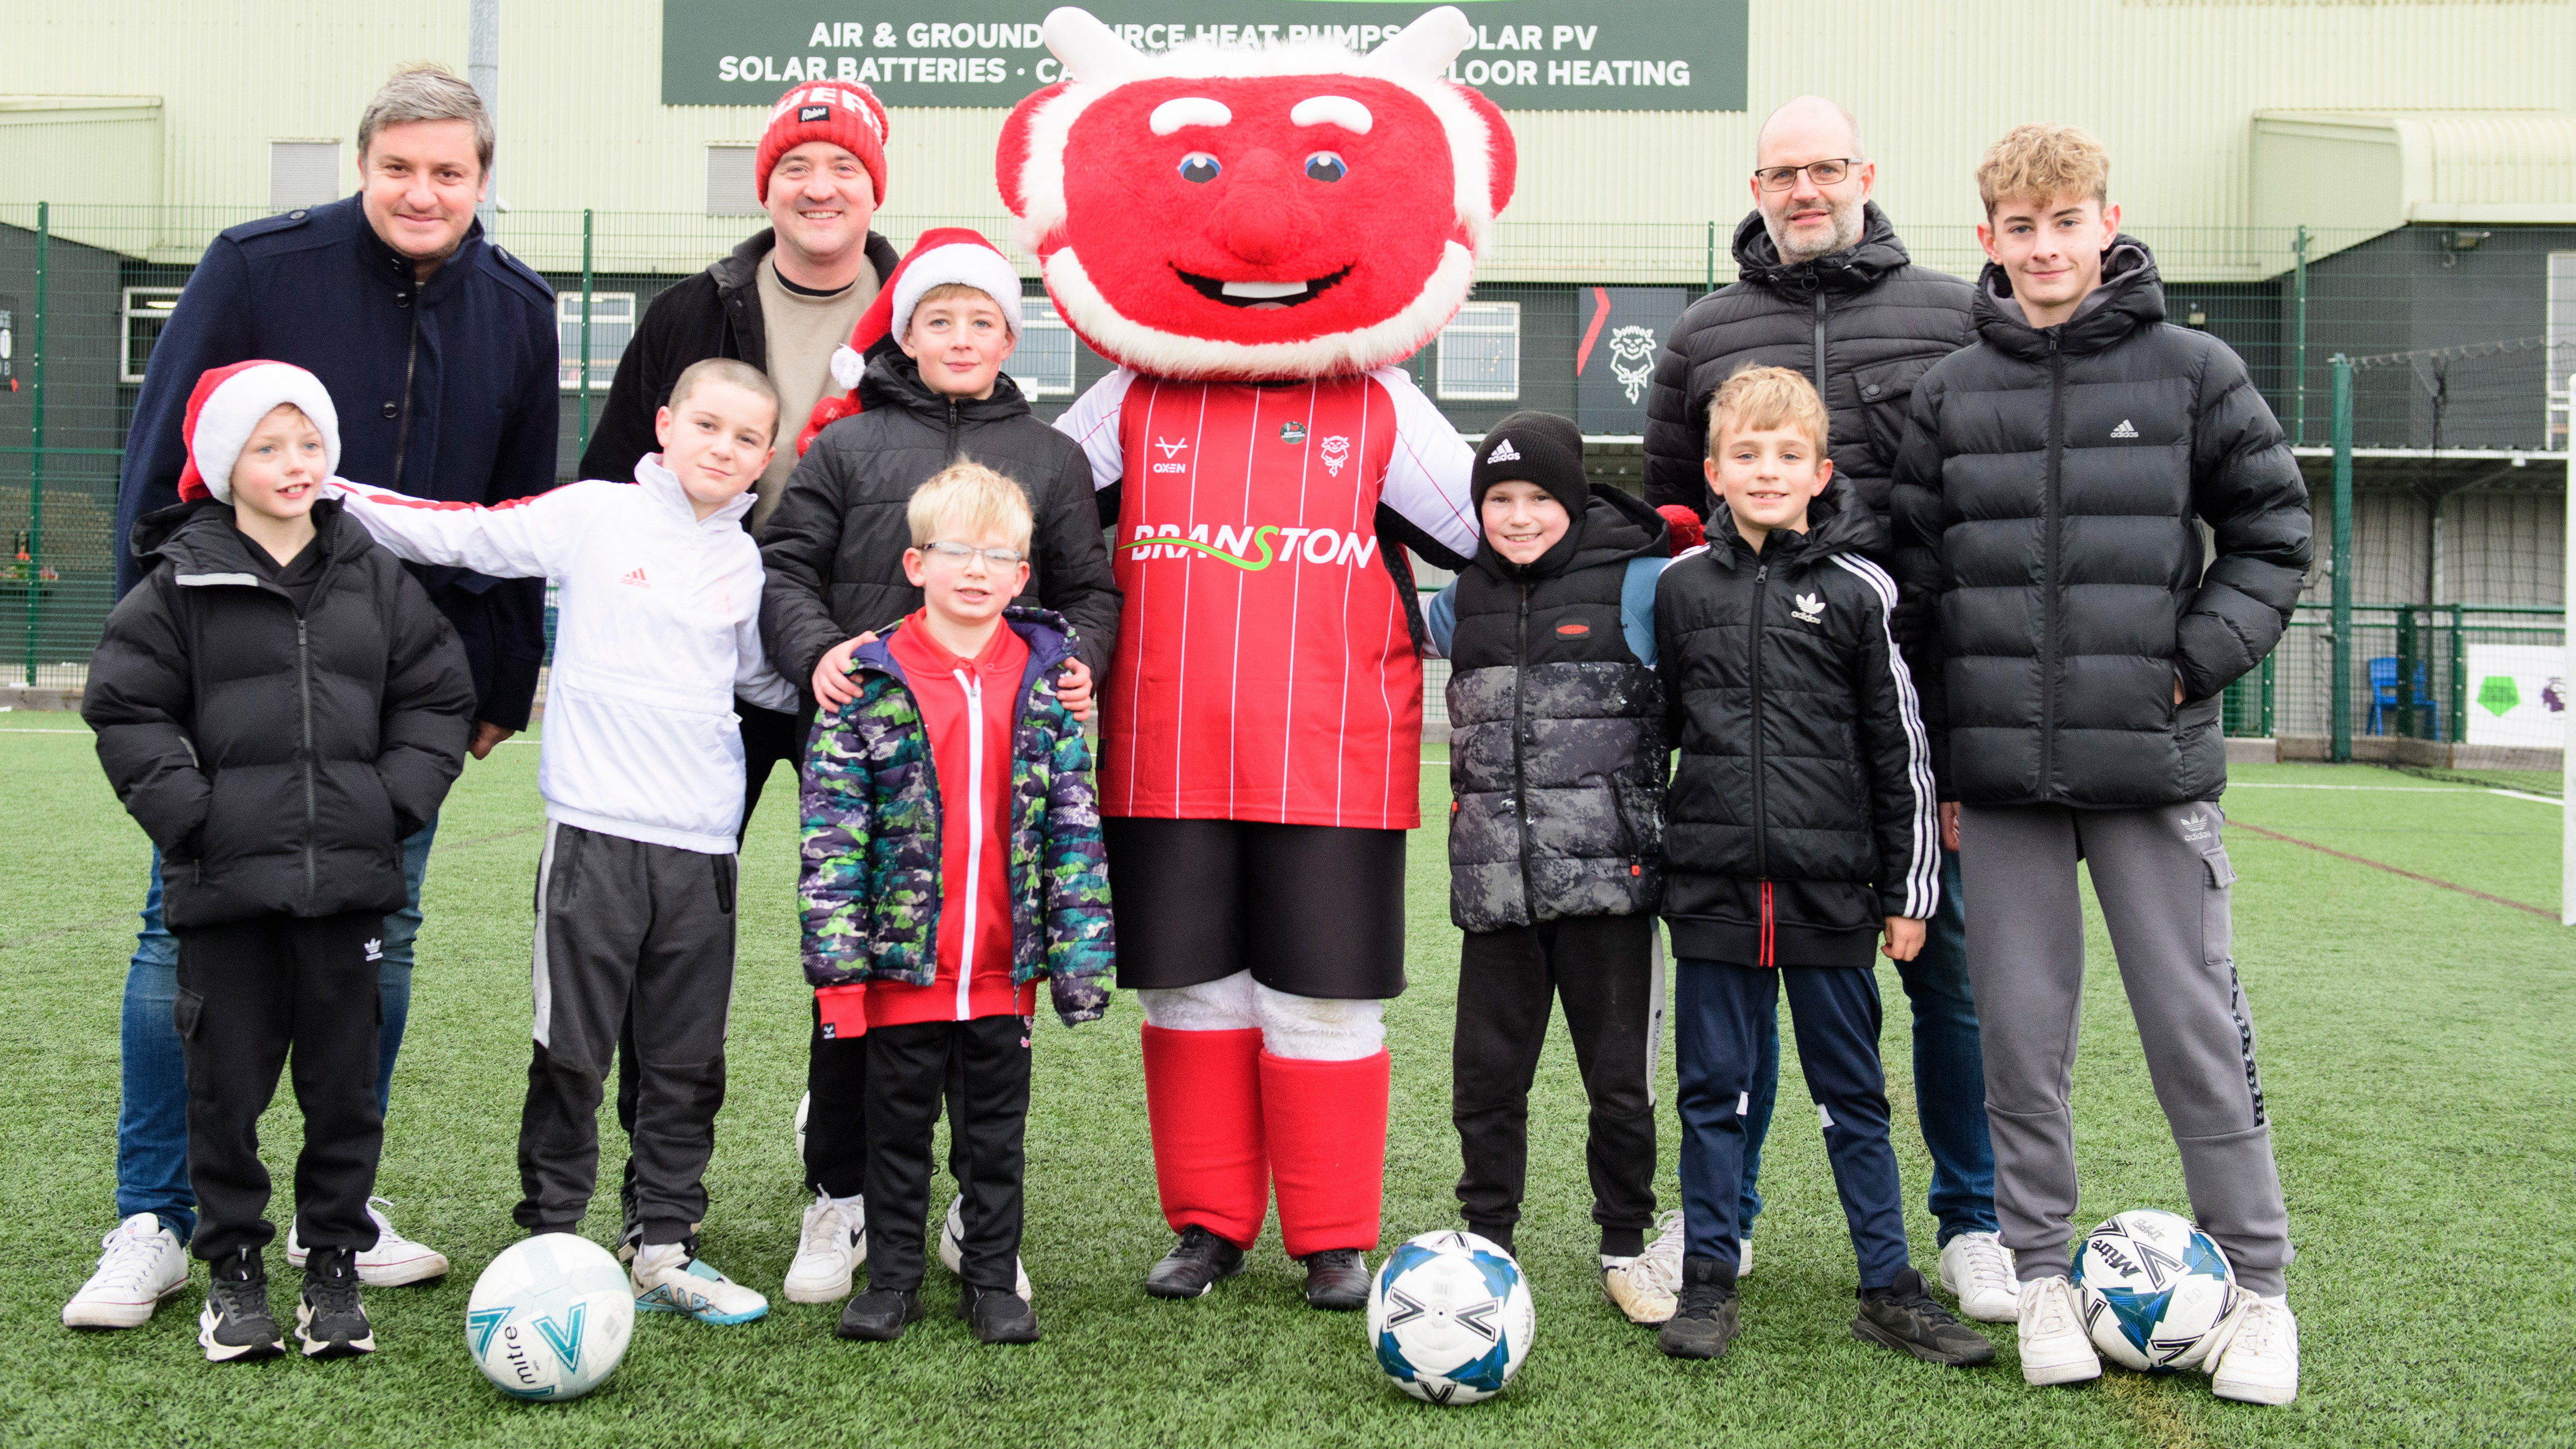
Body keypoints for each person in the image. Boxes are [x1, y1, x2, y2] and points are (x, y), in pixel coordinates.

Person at [1008, 9, 1503, 1312]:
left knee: (1323, 997)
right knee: (1188, 992)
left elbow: (1500, 526)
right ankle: (1209, 1222)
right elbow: (1021, 513)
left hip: (1333, 753)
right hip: (1161, 749)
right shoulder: (1131, 398)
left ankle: (1333, 1234)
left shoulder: (1379, 400)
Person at [70, 64, 555, 1330]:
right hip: (227, 682)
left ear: (482, 180)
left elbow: (516, 511)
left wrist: (497, 684)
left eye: (450, 171)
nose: (423, 190)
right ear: (362, 165)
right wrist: (163, 645)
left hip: (394, 708)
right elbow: (158, 454)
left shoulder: (518, 306)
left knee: (376, 947)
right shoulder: (254, 266)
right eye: (400, 167)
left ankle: (338, 1215)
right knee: (180, 940)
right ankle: (154, 1216)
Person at [1889, 125, 2312, 1404]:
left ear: (2106, 221)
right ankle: (2038, 1281)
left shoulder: (2195, 368)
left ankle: (2261, 1289)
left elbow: (2274, 532)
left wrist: (2186, 666)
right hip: (2004, 784)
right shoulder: (1950, 393)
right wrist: (1955, 753)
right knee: (2021, 1041)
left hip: (2157, 770)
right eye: (2020, 226)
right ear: (1990, 241)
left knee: (2194, 1029)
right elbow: (1916, 590)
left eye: (2064, 220)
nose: (2046, 245)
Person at [325, 357, 800, 1326]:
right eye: (708, 426)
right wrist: (324, 487)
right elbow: (459, 533)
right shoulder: (594, 514)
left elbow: (768, 682)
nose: (724, 448)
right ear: (665, 426)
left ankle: (664, 1242)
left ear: (765, 458)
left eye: (748, 438)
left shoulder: (745, 561)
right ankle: (550, 1238)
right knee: (571, 1053)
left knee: (686, 1060)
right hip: (593, 838)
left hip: (705, 848)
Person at [1638, 96, 2009, 1314]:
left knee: (1941, 978)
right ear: (1757, 185)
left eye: (1825, 167)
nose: (1805, 188)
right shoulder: (1703, 334)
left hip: (1911, 708)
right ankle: (1721, 1227)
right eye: (1781, 172)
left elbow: (1980, 512)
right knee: (1732, 1016)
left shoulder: (1957, 311)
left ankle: (1971, 1219)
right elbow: (1666, 520)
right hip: (1753, 738)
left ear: (1866, 171)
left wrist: (1956, 742)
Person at [83, 362, 476, 1360]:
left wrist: (391, 802)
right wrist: (197, 820)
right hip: (229, 895)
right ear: (223, 466)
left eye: (308, 443)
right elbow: (127, 707)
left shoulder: (374, 572)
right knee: (225, 1091)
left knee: (345, 1090)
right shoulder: (181, 579)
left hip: (350, 890)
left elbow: (435, 695)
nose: (294, 464)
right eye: (267, 446)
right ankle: (233, 1274)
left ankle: (335, 1268)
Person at [760, 230, 1118, 1307]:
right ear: (904, 335)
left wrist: (1076, 665)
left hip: (999, 751)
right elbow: (785, 567)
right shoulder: (845, 444)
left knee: (981, 1028)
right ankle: (841, 1194)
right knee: (861, 991)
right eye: (937, 319)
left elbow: (1090, 589)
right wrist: (818, 649)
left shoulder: (1052, 457)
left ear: (1011, 336)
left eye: (981, 320)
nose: (959, 338)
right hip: (883, 757)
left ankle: (975, 1220)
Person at [1652, 366, 1989, 1369]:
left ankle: (1888, 1286)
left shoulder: (1859, 591)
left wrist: (1911, 892)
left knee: (1854, 1098)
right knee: (1716, 1093)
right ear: (1713, 472)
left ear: (1821, 471)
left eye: (1786, 455)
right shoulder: (1678, 590)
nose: (1766, 472)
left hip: (1831, 892)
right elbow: (1658, 732)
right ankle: (1708, 1278)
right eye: (1746, 456)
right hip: (1711, 890)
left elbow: (1902, 753)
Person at [798, 462, 1114, 1346]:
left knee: (993, 1139)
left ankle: (990, 1280)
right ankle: (892, 1278)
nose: (975, 570)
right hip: (904, 974)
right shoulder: (866, 682)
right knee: (893, 1136)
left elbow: (1074, 831)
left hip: (1001, 975)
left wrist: (1079, 960)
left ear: (1023, 576)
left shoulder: (1050, 681)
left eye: (999, 556)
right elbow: (831, 844)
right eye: (955, 551)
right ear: (915, 563)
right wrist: (840, 976)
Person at [1422, 413, 1683, 1325]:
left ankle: (1626, 1246)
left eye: (1538, 497)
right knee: (1486, 1081)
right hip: (1496, 888)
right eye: (1500, 500)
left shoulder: (1645, 586)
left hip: (1611, 892)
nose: (1520, 516)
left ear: (1572, 498)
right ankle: (1487, 1245)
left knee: (1619, 1083)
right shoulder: (1461, 600)